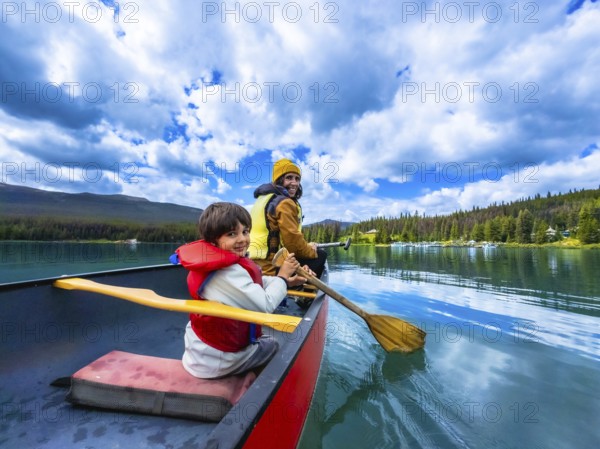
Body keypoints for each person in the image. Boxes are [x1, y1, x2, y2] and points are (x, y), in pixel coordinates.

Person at [174, 202, 307, 379]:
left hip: (200, 353)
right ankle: (256, 386)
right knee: (272, 344)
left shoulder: (218, 265)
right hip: (216, 361)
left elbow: (253, 282)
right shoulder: (226, 273)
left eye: (245, 231)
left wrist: (284, 282)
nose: (242, 239)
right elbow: (265, 305)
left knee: (263, 338)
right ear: (213, 239)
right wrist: (282, 277)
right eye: (231, 234)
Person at [249, 158, 327, 277]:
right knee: (321, 255)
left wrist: (306, 245)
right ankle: (299, 289)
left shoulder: (263, 199)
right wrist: (312, 250)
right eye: (289, 178)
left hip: (253, 264)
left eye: (297, 179)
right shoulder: (284, 203)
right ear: (279, 180)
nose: (295, 183)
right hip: (271, 267)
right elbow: (294, 245)